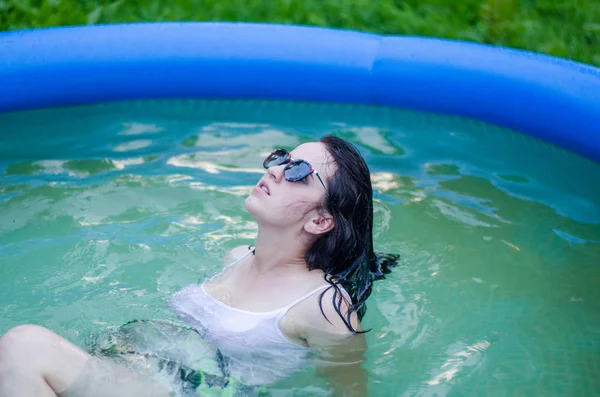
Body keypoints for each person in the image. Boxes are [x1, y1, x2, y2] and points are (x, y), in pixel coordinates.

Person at [0, 135, 398, 397]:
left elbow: (351, 393)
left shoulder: (324, 306)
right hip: (152, 378)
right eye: (283, 158)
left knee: (26, 347)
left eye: (299, 173)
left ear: (320, 221)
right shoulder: (236, 257)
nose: (275, 169)